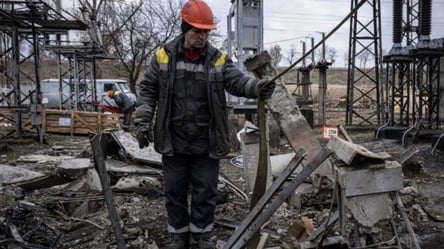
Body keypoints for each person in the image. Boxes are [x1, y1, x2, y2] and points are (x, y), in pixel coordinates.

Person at [134, 0, 275, 248]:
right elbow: (148, 89)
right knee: (174, 192)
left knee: (205, 193)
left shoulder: (218, 59)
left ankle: (201, 235)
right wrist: (143, 119)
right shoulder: (163, 56)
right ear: (184, 29)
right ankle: (178, 235)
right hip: (173, 139)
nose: (202, 37)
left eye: (206, 31)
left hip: (206, 140)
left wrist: (256, 87)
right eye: (197, 31)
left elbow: (236, 81)